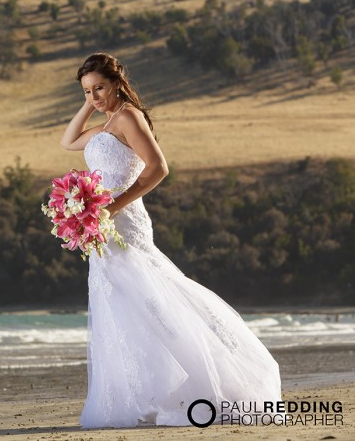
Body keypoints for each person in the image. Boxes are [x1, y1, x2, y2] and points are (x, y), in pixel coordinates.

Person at [60, 53, 281, 427]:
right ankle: (142, 394)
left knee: (153, 298)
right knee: (119, 306)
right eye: (87, 90)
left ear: (117, 82)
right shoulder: (107, 121)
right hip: (104, 226)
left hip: (123, 221)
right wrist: (88, 104)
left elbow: (158, 168)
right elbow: (68, 142)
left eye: (99, 87)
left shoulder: (128, 116)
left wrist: (112, 206)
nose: (95, 96)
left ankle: (204, 378)